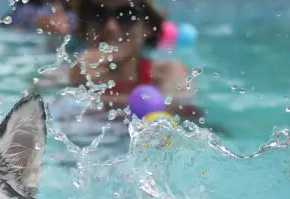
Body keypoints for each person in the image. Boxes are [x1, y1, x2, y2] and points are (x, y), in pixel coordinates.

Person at [69, 0, 204, 122]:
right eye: (97, 14)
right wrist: (75, 83)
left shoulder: (167, 73)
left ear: (149, 27)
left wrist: (84, 97)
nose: (111, 27)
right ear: (84, 25)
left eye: (126, 15)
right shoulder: (70, 74)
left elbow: (182, 110)